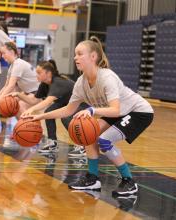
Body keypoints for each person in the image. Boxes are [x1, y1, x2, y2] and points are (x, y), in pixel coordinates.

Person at [24, 36, 154, 197]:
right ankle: (93, 179)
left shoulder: (107, 78)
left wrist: (92, 110)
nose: (75, 57)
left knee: (104, 140)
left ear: (93, 57)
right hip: (118, 112)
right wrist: (39, 117)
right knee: (89, 135)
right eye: (75, 54)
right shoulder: (81, 82)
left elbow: (115, 110)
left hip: (138, 111)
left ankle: (129, 181)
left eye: (79, 54)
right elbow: (68, 110)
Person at [19, 60, 87, 154]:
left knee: (66, 118)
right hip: (66, 103)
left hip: (82, 103)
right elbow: (33, 100)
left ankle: (81, 145)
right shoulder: (44, 84)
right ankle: (52, 143)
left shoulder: (57, 82)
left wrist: (31, 109)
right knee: (48, 112)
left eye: (39, 73)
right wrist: (18, 95)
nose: (36, 75)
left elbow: (47, 101)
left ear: (48, 73)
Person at [0, 42, 39, 117]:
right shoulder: (12, 66)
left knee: (19, 105)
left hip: (38, 94)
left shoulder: (18, 64)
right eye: (1, 54)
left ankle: (29, 127)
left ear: (12, 52)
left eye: (4, 53)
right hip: (28, 93)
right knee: (10, 103)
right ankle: (22, 126)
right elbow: (6, 86)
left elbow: (11, 86)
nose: (2, 56)